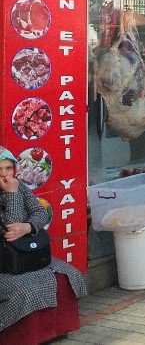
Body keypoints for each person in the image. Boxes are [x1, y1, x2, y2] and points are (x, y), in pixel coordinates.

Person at [0, 147, 87, 343]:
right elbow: (9, 231)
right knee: (26, 289)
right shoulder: (14, 188)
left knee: (67, 275)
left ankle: (55, 331)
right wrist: (11, 194)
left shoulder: (19, 186)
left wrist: (28, 227)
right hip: (5, 259)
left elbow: (40, 212)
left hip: (25, 252)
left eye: (8, 168)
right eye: (0, 169)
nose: (5, 175)